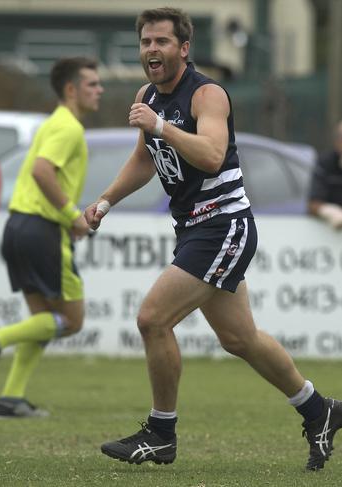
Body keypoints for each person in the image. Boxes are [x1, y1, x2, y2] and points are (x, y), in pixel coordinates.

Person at [84, 8, 341, 471]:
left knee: (152, 319)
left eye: (161, 42)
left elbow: (212, 153)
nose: (151, 50)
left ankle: (161, 434)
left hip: (224, 225)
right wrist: (104, 202)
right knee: (240, 338)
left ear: (184, 49)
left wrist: (161, 126)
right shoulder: (148, 96)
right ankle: (318, 408)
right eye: (145, 42)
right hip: (194, 228)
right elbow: (146, 159)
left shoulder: (207, 95)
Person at [0, 57, 102, 418]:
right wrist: (74, 216)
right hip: (43, 230)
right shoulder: (68, 127)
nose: (99, 89)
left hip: (18, 226)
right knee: (71, 321)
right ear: (71, 89)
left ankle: (11, 398)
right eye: (91, 84)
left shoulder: (52, 123)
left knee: (42, 320)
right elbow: (43, 172)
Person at [307, 120, 342, 229]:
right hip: (329, 231)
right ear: (336, 141)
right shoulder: (325, 163)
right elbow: (313, 204)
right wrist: (331, 212)